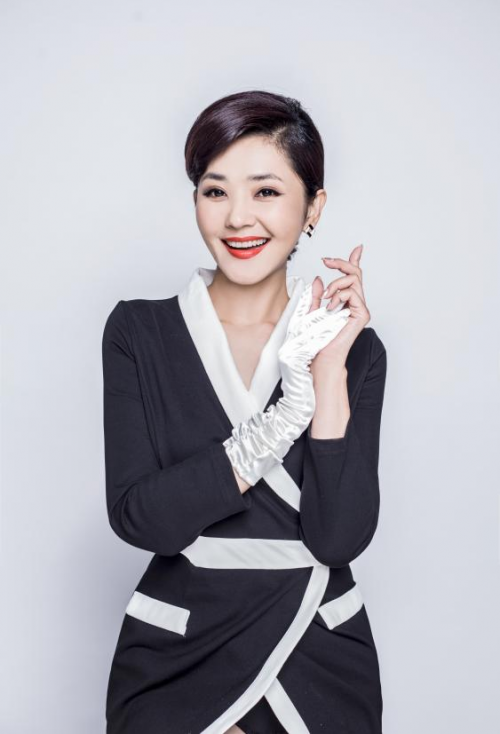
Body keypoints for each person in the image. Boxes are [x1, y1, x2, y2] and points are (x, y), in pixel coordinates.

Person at [102, 89, 388, 734]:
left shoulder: (356, 350)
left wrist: (327, 373)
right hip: (179, 652)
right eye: (215, 190)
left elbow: (337, 540)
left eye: (265, 191)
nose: (237, 218)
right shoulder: (139, 332)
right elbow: (143, 519)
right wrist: (283, 420)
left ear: (313, 207)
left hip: (318, 651)